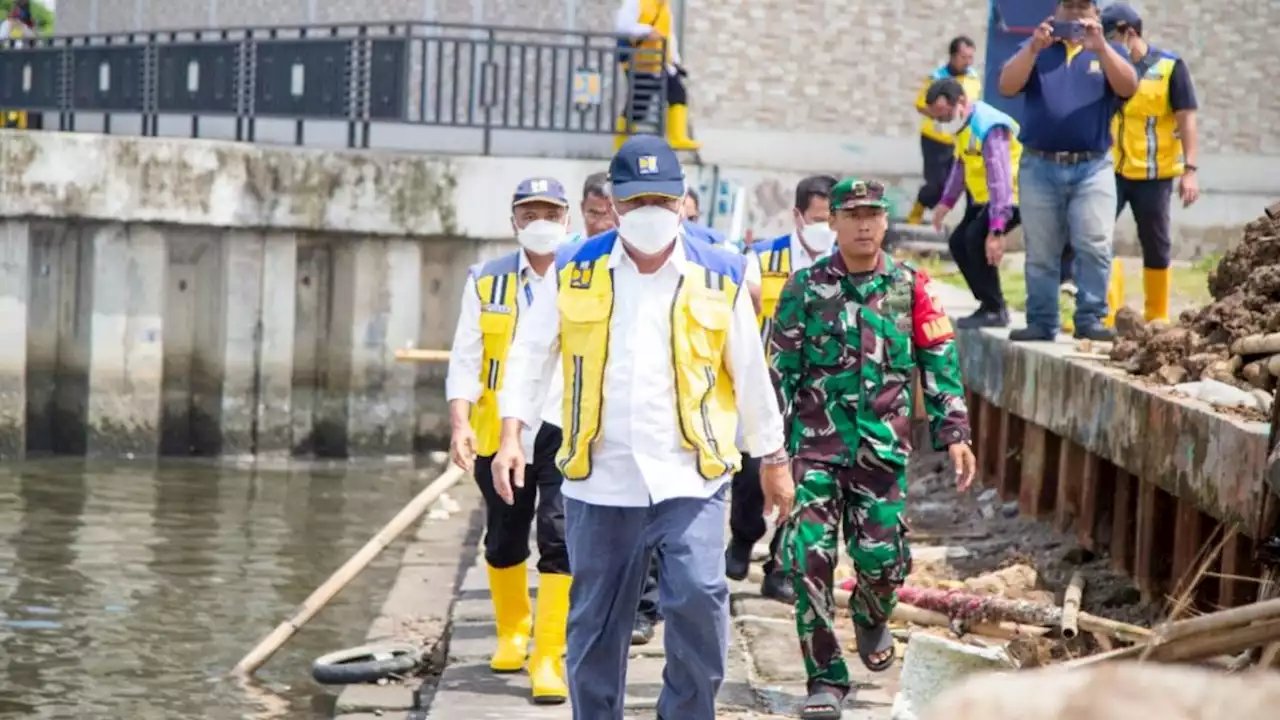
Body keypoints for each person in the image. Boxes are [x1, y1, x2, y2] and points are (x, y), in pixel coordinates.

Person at [493, 135, 791, 720]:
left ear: (682, 201)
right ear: (616, 204)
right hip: (601, 477)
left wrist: (774, 459)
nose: (650, 213)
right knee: (596, 623)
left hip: (691, 475)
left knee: (700, 600)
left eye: (661, 199)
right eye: (637, 201)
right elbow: (530, 354)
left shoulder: (720, 272)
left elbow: (751, 371)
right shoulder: (577, 269)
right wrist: (511, 435)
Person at [770, 178, 975, 718]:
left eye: (874, 214)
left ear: (885, 221)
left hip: (882, 453)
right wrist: (769, 453)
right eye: (852, 214)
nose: (864, 224)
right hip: (814, 451)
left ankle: (871, 609)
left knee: (882, 562)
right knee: (807, 560)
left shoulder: (912, 287)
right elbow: (778, 376)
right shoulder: (804, 289)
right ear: (831, 222)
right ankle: (826, 679)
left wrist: (954, 433)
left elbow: (939, 360)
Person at [444, 177, 575, 705]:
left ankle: (548, 654)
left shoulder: (587, 275)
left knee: (560, 536)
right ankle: (512, 631)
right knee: (503, 535)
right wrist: (460, 423)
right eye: (530, 213)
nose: (540, 222)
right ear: (514, 221)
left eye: (550, 212)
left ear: (567, 219)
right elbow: (466, 358)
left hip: (565, 427)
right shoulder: (486, 280)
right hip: (502, 428)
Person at [997, 0, 1138, 342]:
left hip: (1092, 167)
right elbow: (1006, 85)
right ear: (1056, 12)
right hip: (1039, 164)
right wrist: (1033, 47)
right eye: (1068, 7)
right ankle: (1042, 322)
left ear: (1095, 15)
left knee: (1094, 243)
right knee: (1042, 249)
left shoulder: (1109, 51)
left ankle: (1090, 319)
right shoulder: (1036, 48)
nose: (1075, 15)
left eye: (1083, 8)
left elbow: (1128, 87)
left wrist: (1101, 46)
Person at [730, 174, 839, 604]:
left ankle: (780, 566)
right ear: (797, 216)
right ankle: (743, 537)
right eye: (817, 218)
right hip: (768, 382)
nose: (825, 228)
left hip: (821, 388)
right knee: (753, 474)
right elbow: (743, 296)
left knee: (807, 479)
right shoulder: (764, 257)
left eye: (832, 218)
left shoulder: (846, 258)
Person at [1102, 2, 1200, 324]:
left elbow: (1187, 120)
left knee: (1156, 243)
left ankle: (1156, 314)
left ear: (1129, 33)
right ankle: (1104, 312)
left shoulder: (1170, 67)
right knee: (1096, 238)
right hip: (1113, 170)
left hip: (1155, 174)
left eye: (1110, 36)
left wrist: (1190, 170)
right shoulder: (1107, 67)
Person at [926, 78, 1024, 329]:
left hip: (1010, 197)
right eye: (937, 118)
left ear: (960, 102)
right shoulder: (962, 127)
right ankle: (987, 303)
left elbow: (1000, 176)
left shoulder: (988, 126)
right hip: (984, 199)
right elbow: (961, 166)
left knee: (974, 239)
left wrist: (997, 228)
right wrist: (946, 202)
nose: (941, 123)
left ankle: (996, 308)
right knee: (958, 242)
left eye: (945, 115)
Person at [907, 36, 982, 226]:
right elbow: (920, 103)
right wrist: (941, 114)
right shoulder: (937, 77)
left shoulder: (973, 78)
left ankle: (963, 221)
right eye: (964, 57)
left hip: (960, 140)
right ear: (953, 56)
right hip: (936, 138)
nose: (968, 62)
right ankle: (916, 212)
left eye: (971, 57)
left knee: (958, 184)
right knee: (937, 183)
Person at [614, 0, 700, 151]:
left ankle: (677, 137)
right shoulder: (636, 2)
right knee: (638, 105)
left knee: (677, 93)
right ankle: (621, 144)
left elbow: (669, 35)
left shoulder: (664, 7)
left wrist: (675, 60)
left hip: (661, 62)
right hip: (638, 62)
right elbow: (623, 26)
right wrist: (646, 31)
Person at [582, 171, 617, 238]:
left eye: (608, 215)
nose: (600, 226)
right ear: (582, 208)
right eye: (594, 215)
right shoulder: (571, 247)